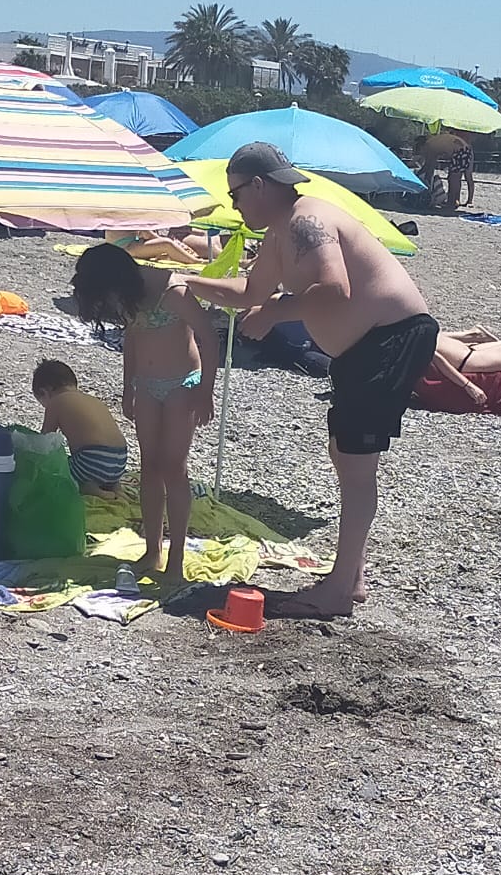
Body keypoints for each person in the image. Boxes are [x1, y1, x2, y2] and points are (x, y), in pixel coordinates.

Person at [185, 141, 437, 617]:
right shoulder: (282, 231)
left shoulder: (306, 219)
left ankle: (340, 589)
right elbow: (249, 291)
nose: (234, 204)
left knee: (357, 462)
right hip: (367, 345)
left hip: (390, 337)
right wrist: (188, 281)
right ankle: (351, 575)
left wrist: (278, 311)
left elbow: (334, 289)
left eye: (236, 194)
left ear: (259, 185)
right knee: (345, 453)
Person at [70, 242, 220, 576]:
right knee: (150, 467)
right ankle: (153, 551)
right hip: (148, 384)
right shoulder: (128, 295)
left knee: (173, 468)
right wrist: (129, 387)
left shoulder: (173, 291)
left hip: (183, 383)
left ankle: (177, 557)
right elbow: (133, 339)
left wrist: (207, 390)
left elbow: (209, 338)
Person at [31, 359, 129, 495]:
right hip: (119, 462)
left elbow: (45, 442)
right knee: (95, 468)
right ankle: (114, 486)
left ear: (45, 392)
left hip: (92, 461)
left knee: (59, 471)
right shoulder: (93, 400)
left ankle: (90, 488)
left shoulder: (56, 403)